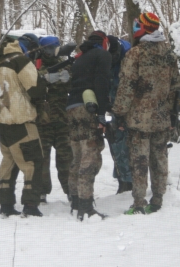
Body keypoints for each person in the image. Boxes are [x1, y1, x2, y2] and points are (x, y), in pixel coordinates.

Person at [112, 12, 180, 215]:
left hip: (138, 120)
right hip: (162, 117)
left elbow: (126, 86)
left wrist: (118, 113)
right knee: (160, 159)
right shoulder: (169, 53)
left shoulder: (135, 54)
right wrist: (174, 115)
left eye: (137, 25)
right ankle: (158, 200)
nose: (134, 28)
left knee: (139, 161)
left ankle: (139, 203)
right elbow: (176, 87)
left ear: (144, 28)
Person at [0, 35, 46, 218]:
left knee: (9, 162)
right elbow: (35, 89)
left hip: (1, 120)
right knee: (33, 162)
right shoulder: (21, 61)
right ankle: (30, 204)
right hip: (20, 120)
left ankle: (5, 204)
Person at [66, 30, 111, 221]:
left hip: (71, 109)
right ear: (104, 41)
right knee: (90, 156)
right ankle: (86, 206)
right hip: (88, 109)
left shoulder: (79, 58)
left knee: (77, 155)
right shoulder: (102, 55)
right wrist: (102, 113)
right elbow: (102, 83)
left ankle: (75, 200)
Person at [36, 36, 73, 203]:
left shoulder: (65, 64)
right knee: (42, 159)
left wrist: (68, 76)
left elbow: (74, 82)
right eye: (47, 48)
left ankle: (71, 191)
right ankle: (41, 192)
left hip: (63, 120)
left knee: (66, 158)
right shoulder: (35, 64)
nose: (50, 52)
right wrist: (44, 77)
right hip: (43, 121)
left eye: (53, 48)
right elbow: (31, 82)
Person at [106, 35, 133, 194]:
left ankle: (129, 181)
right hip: (115, 106)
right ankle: (122, 179)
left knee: (126, 143)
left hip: (130, 107)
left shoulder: (129, 55)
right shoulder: (106, 55)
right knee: (116, 141)